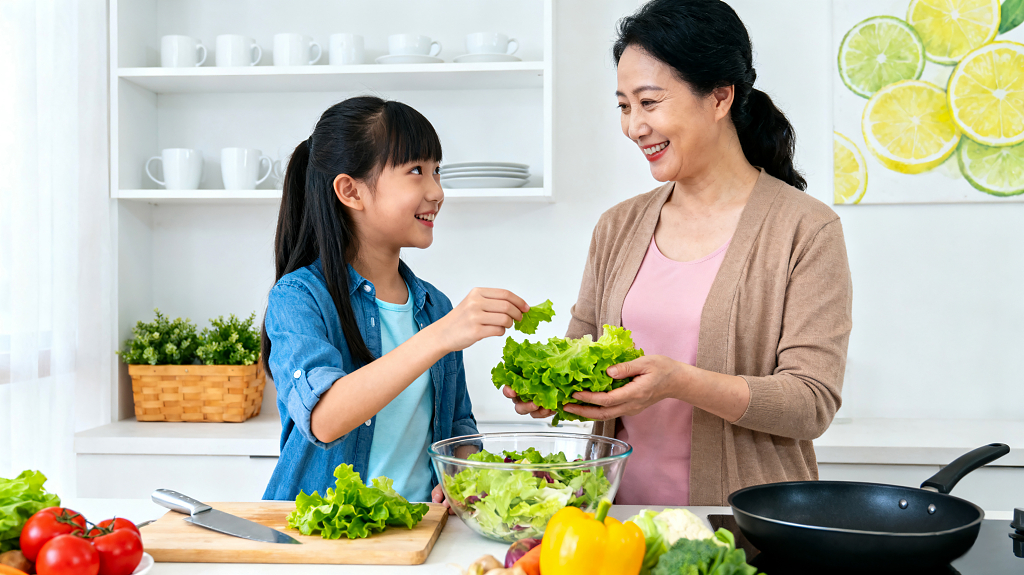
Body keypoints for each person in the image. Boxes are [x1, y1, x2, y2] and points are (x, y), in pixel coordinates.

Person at [504, 0, 853, 506]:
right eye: (624, 106)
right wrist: (546, 387)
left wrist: (679, 382)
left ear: (719, 98)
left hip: (741, 525)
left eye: (649, 102)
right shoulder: (618, 227)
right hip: (615, 523)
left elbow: (810, 403)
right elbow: (581, 351)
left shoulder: (806, 229)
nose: (633, 127)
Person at [261, 96, 529, 504]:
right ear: (351, 191)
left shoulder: (433, 306)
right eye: (416, 171)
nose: (437, 191)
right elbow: (324, 419)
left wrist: (465, 476)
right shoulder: (299, 297)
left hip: (418, 529)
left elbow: (456, 428)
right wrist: (440, 336)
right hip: (323, 542)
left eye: (437, 171)